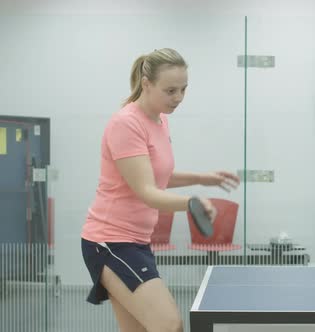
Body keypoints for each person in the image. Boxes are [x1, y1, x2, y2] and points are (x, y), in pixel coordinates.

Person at [80, 48, 240, 332]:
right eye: (170, 90)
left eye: (183, 89)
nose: (178, 97)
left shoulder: (160, 119)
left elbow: (156, 176)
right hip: (110, 243)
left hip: (137, 241)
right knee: (170, 324)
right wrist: (191, 202)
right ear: (146, 84)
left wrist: (203, 178)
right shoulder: (126, 123)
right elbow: (146, 191)